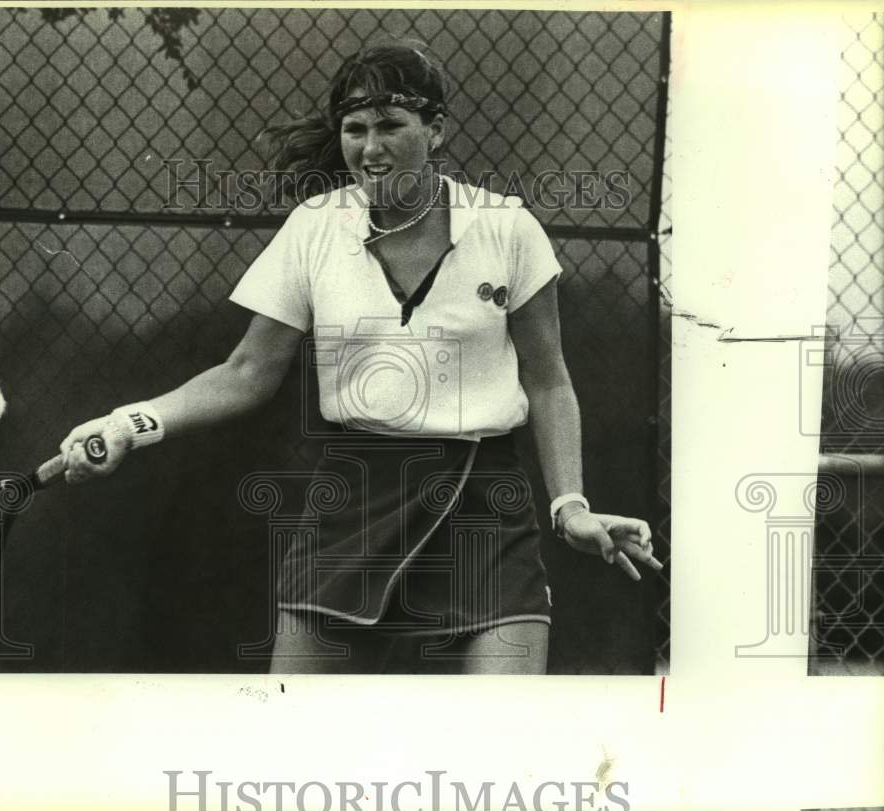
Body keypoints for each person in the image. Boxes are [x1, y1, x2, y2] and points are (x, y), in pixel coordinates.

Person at [59, 42, 662, 674]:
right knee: (298, 743)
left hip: (485, 508)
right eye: (355, 129)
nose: (370, 148)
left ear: (436, 131)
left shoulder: (507, 229)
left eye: (391, 126)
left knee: (500, 738)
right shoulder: (315, 227)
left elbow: (548, 380)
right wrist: (130, 423)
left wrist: (571, 507)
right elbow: (246, 371)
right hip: (352, 503)